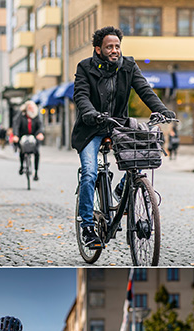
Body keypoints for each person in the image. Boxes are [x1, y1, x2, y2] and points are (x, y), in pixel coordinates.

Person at [72, 26, 175, 250]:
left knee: (139, 159)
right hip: (91, 127)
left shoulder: (128, 66)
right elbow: (80, 95)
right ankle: (88, 227)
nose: (115, 50)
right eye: (109, 47)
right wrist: (90, 113)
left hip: (118, 125)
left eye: (117, 46)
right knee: (90, 172)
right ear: (98, 49)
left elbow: (144, 89)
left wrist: (162, 109)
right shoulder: (85, 67)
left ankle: (123, 188)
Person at [15, 101, 45, 181]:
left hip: (34, 136)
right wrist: (16, 135)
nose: (31, 110)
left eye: (33, 108)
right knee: (21, 150)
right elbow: (16, 125)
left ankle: (36, 172)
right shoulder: (21, 115)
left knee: (37, 152)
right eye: (30, 108)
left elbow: (40, 126)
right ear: (26, 108)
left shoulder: (37, 115)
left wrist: (40, 133)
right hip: (23, 135)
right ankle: (22, 166)